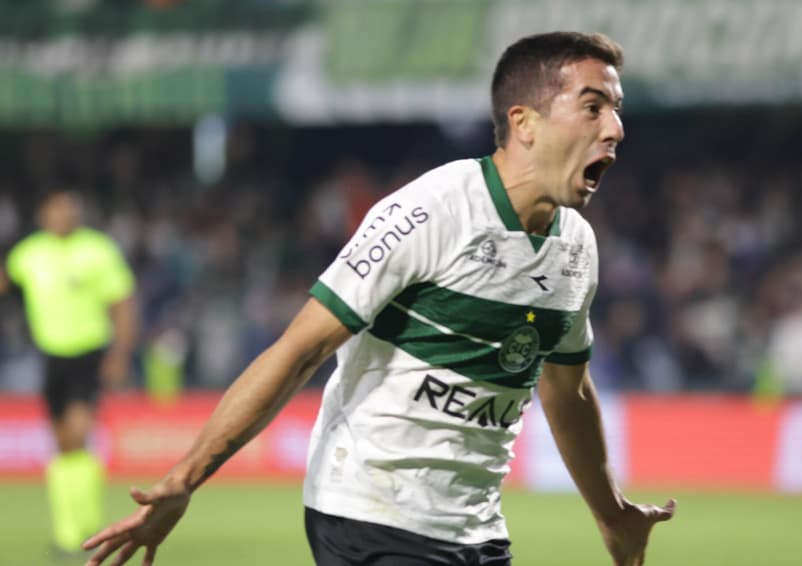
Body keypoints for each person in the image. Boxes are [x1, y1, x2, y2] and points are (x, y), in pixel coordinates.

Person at [83, 31, 675, 566]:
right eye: (593, 107)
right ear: (524, 123)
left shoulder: (576, 248)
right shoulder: (430, 212)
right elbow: (298, 352)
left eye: (616, 112)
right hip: (371, 516)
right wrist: (186, 477)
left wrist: (611, 514)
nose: (615, 129)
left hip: (478, 531)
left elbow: (566, 391)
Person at [0, 190, 137, 556]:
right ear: (44, 216)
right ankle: (66, 531)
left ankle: (86, 524)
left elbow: (122, 302)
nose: (58, 218)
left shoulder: (97, 251)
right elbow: (6, 280)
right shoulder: (30, 253)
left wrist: (120, 353)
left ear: (76, 215)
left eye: (65, 211)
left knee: (78, 434)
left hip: (88, 355)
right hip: (50, 356)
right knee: (62, 443)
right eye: (52, 212)